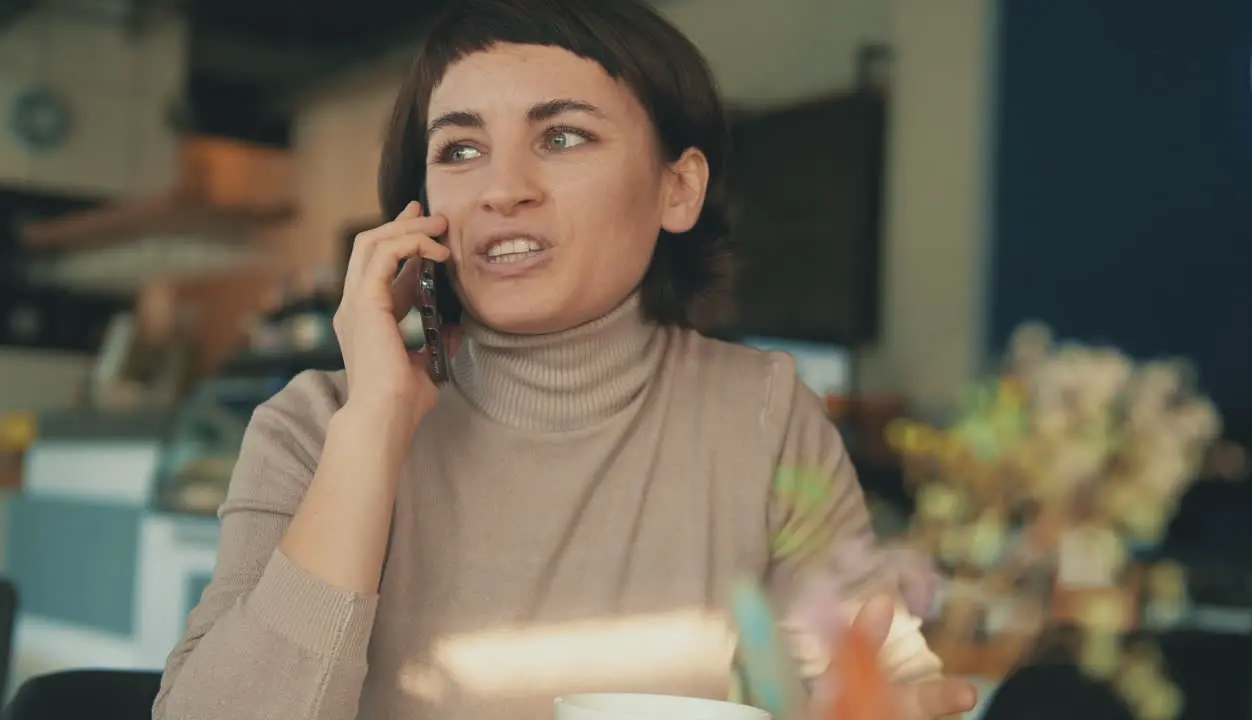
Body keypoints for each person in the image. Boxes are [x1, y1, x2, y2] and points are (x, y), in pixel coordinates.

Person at [153, 1, 977, 718]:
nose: (502, 188)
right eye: (460, 151)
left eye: (561, 135)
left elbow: (865, 680)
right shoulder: (312, 427)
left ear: (677, 190)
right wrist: (373, 428)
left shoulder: (762, 414)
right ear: (422, 210)